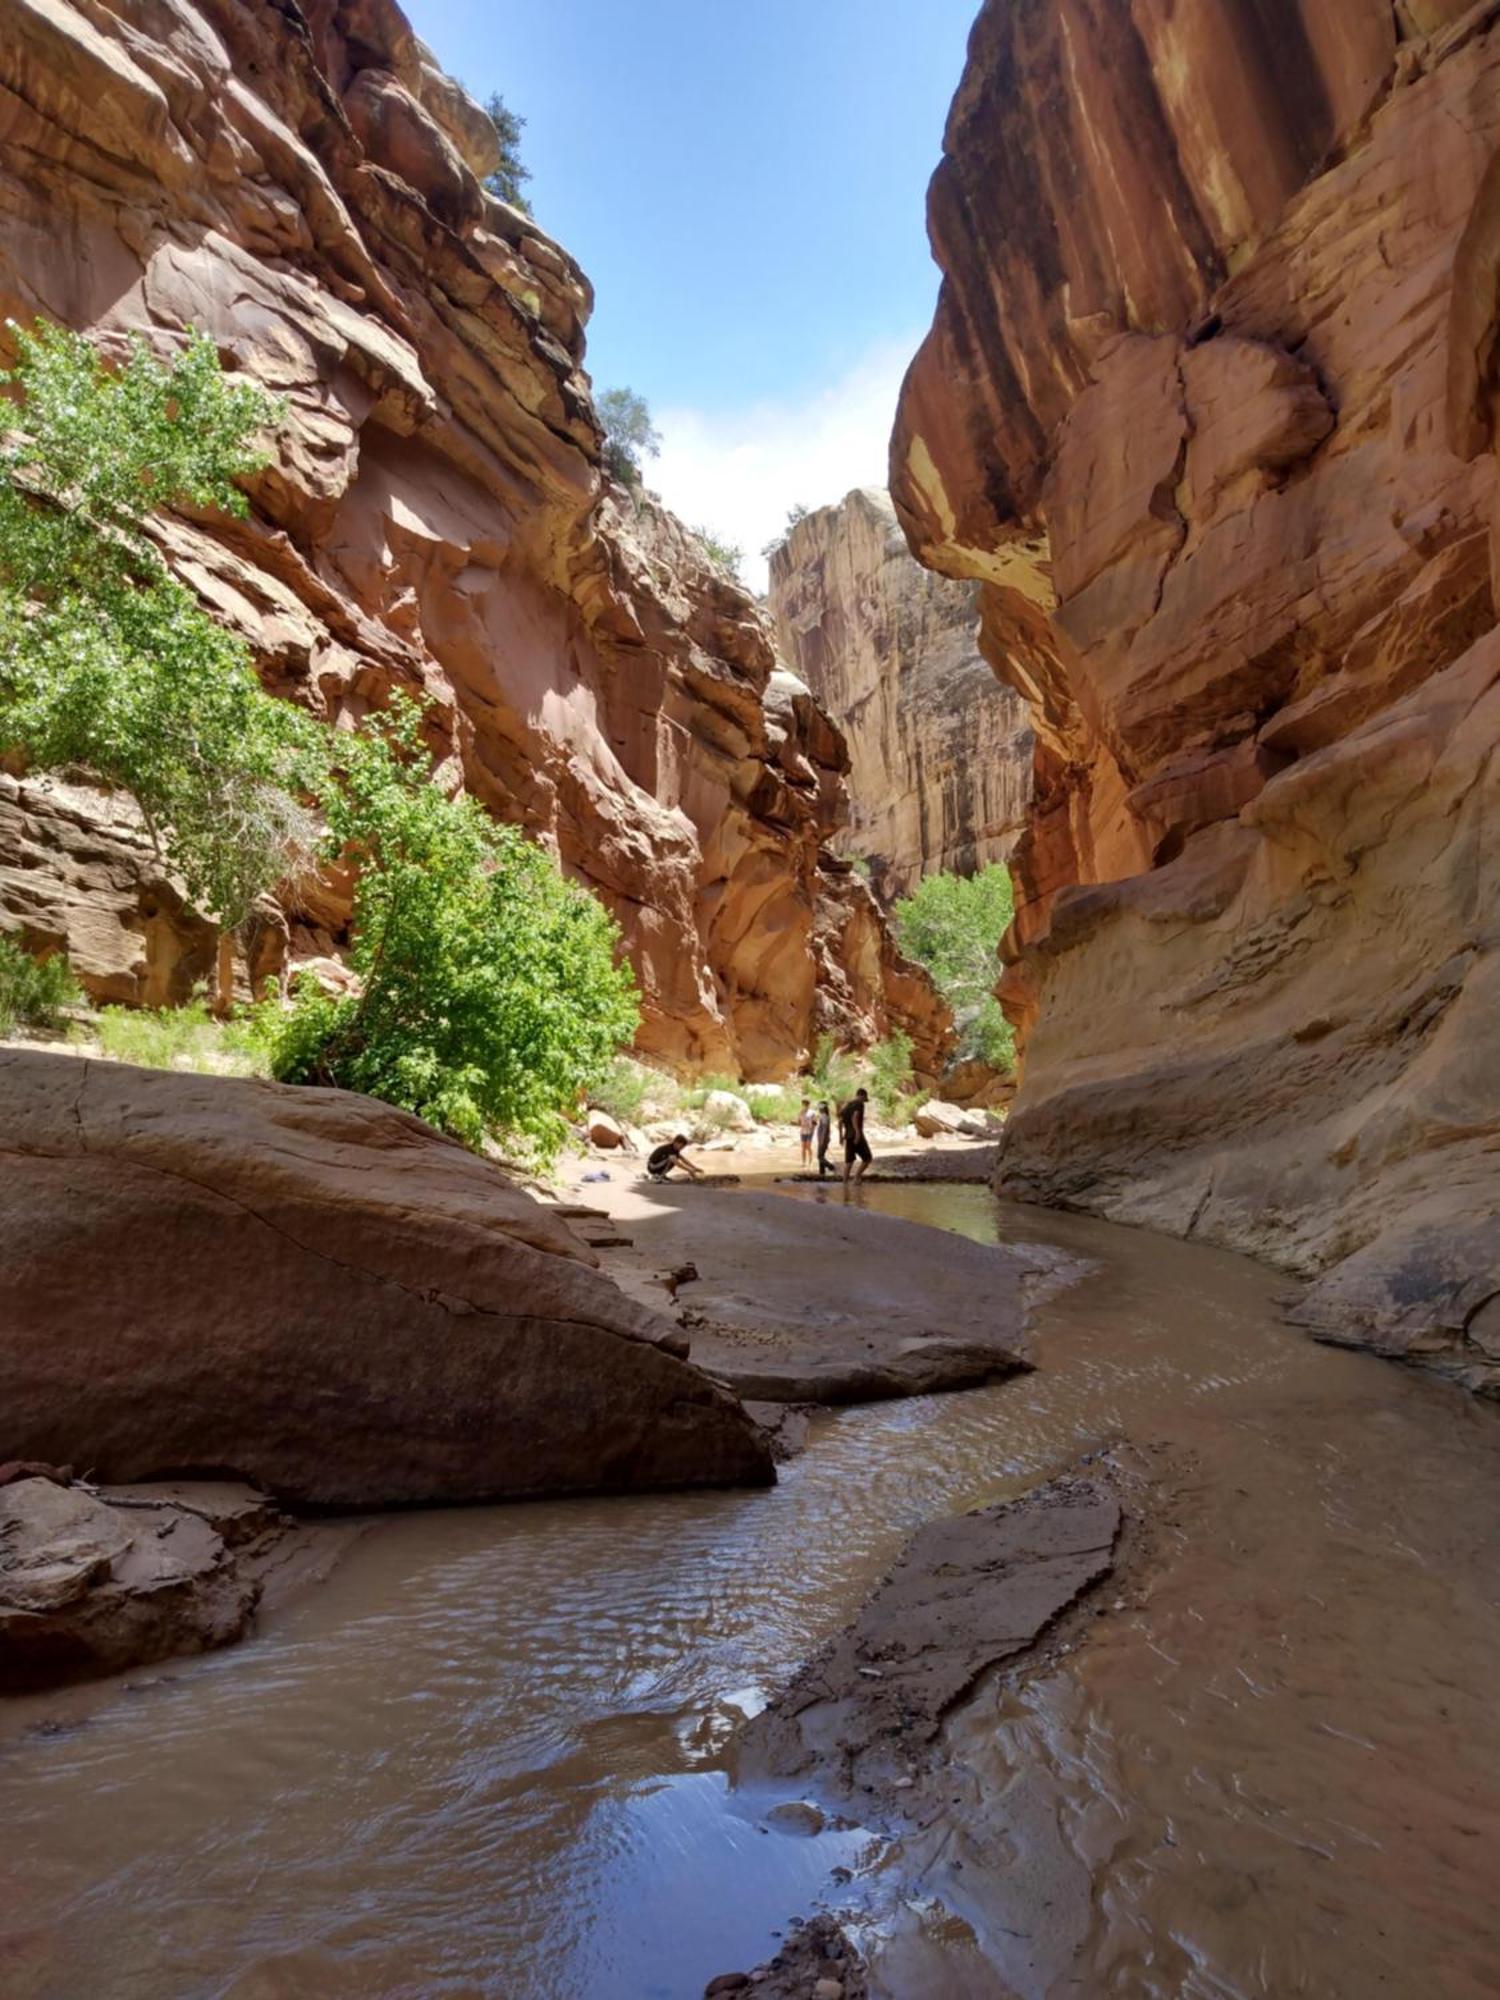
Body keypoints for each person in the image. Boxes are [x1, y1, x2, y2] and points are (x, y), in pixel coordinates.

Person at [839, 1086, 872, 1184]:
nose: (864, 1101)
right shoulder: (859, 1104)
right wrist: (857, 1132)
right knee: (867, 1158)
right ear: (862, 1096)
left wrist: (840, 1136)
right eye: (864, 1099)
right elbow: (855, 1117)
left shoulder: (847, 1105)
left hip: (848, 1136)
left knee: (849, 1161)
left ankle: (844, 1184)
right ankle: (856, 1178)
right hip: (856, 1135)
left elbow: (840, 1121)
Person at [815, 1099, 832, 1178]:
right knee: (821, 1155)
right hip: (822, 1138)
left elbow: (825, 1129)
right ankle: (822, 1173)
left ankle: (831, 1167)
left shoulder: (824, 1116)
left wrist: (822, 1139)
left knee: (820, 1156)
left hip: (823, 1139)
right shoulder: (823, 1116)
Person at [798, 1096, 816, 1168]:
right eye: (803, 1104)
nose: (804, 1106)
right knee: (803, 1147)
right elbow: (799, 1121)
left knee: (808, 1146)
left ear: (808, 1105)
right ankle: (803, 1162)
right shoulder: (801, 1112)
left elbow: (815, 1122)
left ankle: (810, 1161)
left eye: (805, 1104)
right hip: (803, 1131)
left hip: (810, 1132)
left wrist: (812, 1129)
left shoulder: (812, 1112)